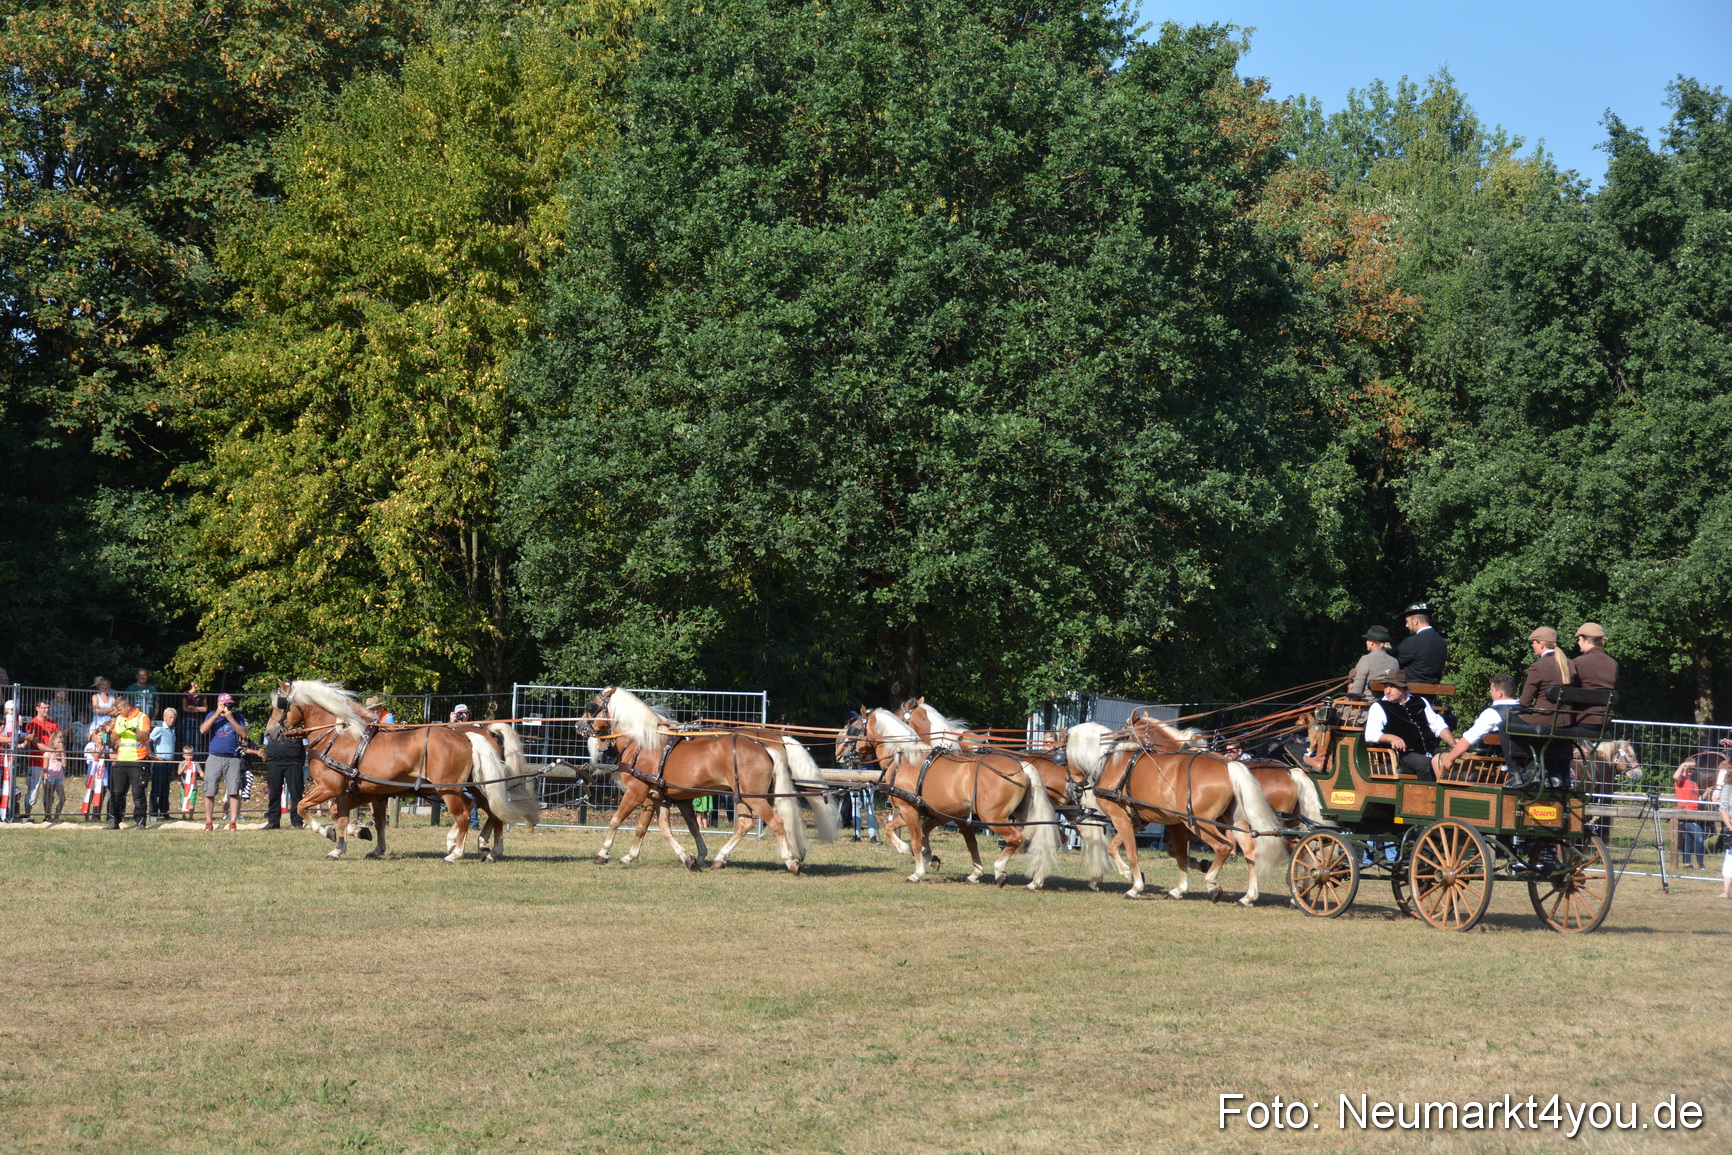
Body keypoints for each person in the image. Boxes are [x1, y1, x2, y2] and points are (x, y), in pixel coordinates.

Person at [1508, 626, 1577, 790]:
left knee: (1505, 723)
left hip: (1544, 719)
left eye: (1533, 643)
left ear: (1541, 644)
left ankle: (1514, 772)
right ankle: (1556, 774)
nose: (1532, 646)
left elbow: (1525, 701)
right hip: (1565, 720)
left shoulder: (1538, 667)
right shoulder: (1570, 664)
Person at [1363, 669, 1454, 780]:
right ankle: (1427, 796)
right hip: (1401, 755)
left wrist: (1453, 744)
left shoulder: (1420, 701)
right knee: (1424, 763)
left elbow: (1438, 725)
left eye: (1392, 686)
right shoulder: (1379, 707)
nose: (1387, 691)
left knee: (1450, 758)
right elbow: (1370, 734)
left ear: (1403, 688)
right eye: (1386, 686)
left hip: (1430, 749)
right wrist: (1391, 737)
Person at [1435, 675, 1522, 774]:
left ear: (1500, 693)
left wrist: (1449, 758)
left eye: (1491, 689)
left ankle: (1445, 788)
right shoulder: (1525, 711)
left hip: (1493, 764)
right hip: (1520, 765)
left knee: (1438, 759)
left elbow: (1470, 738)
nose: (1490, 692)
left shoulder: (1492, 713)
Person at [201, 692, 247, 830]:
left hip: (232, 757)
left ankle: (232, 821)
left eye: (229, 704)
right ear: (218, 704)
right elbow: (202, 730)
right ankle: (209, 822)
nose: (228, 707)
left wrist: (230, 717)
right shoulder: (211, 715)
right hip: (215, 757)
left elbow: (243, 733)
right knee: (209, 790)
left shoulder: (237, 716)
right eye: (225, 704)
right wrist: (217, 714)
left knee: (234, 790)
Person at [107, 698, 152, 829]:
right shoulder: (119, 718)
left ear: (127, 706)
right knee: (117, 792)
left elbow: (146, 736)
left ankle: (140, 821)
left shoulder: (142, 717)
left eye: (120, 710)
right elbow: (113, 738)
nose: (118, 712)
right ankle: (115, 819)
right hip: (121, 759)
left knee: (138, 793)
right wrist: (118, 732)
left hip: (138, 760)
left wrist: (134, 729)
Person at [261, 705, 306, 830]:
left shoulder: (298, 723)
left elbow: (306, 743)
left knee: (296, 793)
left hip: (294, 761)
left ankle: (297, 821)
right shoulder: (273, 722)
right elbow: (267, 740)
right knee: (274, 792)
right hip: (274, 761)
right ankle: (273, 821)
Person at [1571, 623, 1619, 728]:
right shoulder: (1613, 663)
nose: (1578, 643)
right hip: (1606, 720)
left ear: (1587, 640)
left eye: (1579, 639)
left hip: (1581, 719)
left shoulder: (1578, 662)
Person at [22, 699, 60, 823]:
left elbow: (58, 740)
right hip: (36, 761)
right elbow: (35, 743)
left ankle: (47, 816)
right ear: (37, 708)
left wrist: (57, 750)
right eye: (44, 707)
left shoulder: (53, 724)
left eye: (48, 707)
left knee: (49, 789)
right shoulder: (32, 724)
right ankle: (27, 816)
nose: (46, 710)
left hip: (51, 762)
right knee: (34, 788)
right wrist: (51, 749)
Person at [1395, 602, 1448, 685]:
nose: (1406, 625)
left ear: (1415, 621)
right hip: (1433, 693)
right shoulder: (1442, 642)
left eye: (1407, 621)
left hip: (1412, 693)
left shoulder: (1411, 642)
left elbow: (1393, 663)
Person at [1347, 625, 1401, 696]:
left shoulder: (1366, 659)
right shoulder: (1394, 662)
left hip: (1366, 704)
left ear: (1372, 642)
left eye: (1367, 640)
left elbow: (1356, 694)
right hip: (1388, 704)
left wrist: (1350, 687)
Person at [1675, 763, 1706, 870]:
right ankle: (1701, 863)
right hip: (1686, 813)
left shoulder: (1694, 783)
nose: (1691, 770)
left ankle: (1687, 864)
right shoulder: (1681, 780)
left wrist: (1707, 792)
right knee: (1699, 836)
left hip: (1695, 814)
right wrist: (1683, 765)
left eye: (1693, 768)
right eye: (1689, 767)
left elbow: (1698, 800)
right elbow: (1675, 776)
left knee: (1688, 839)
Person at [149, 707, 179, 819]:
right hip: (159, 762)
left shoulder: (173, 729)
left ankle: (164, 812)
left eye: (174, 717)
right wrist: (152, 755)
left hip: (168, 762)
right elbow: (149, 740)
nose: (172, 719)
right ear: (164, 717)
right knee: (157, 787)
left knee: (165, 788)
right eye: (170, 717)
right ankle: (153, 812)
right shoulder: (159, 728)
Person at [42, 731, 66, 822]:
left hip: (59, 778)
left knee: (62, 798)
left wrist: (63, 753)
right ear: (53, 741)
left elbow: (64, 765)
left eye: (62, 742)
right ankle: (48, 816)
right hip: (50, 777)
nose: (60, 744)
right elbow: (45, 766)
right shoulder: (48, 753)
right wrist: (46, 778)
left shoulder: (61, 753)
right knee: (49, 797)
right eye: (59, 742)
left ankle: (56, 817)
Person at [181, 681, 209, 751]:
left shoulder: (202, 695)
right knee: (186, 741)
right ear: (192, 683)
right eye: (197, 683)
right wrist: (198, 709)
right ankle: (186, 757)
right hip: (188, 719)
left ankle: (196, 758)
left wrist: (193, 707)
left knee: (197, 741)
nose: (198, 685)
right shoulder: (186, 694)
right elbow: (185, 708)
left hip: (198, 720)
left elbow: (205, 709)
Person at [178, 746, 200, 818]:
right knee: (183, 801)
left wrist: (204, 776)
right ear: (183, 755)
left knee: (192, 803)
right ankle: (183, 816)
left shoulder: (195, 763)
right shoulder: (182, 763)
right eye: (187, 755)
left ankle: (191, 817)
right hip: (183, 787)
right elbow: (179, 772)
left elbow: (200, 772)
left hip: (193, 787)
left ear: (193, 755)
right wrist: (184, 766)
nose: (189, 757)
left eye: (190, 755)